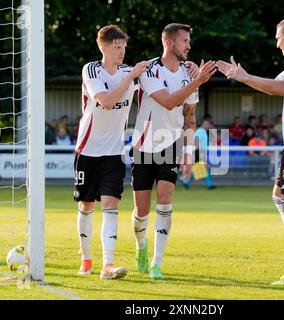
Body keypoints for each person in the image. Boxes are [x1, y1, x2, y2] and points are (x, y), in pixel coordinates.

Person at [217, 18, 284, 286]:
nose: (276, 44)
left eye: (278, 38)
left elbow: (282, 87)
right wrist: (243, 77)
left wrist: (244, 76)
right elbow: (273, 86)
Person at [130, 23, 217, 280]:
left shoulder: (190, 75)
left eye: (189, 41)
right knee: (141, 212)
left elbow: (189, 119)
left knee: (165, 199)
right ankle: (141, 246)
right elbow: (168, 102)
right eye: (184, 41)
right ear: (169, 43)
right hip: (143, 146)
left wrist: (188, 153)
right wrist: (198, 80)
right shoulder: (149, 70)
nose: (189, 45)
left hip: (171, 145)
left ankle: (157, 263)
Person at [73, 25, 150, 280]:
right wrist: (130, 78)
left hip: (114, 152)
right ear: (103, 47)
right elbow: (105, 101)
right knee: (86, 206)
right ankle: (86, 259)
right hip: (87, 149)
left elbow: (162, 70)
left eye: (124, 47)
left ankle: (108, 265)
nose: (122, 52)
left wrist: (191, 70)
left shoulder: (130, 72)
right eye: (117, 47)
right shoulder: (91, 70)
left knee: (110, 206)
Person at [183, 120, 217, 190]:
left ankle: (186, 182)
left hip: (200, 151)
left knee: (199, 168)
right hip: (200, 152)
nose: (208, 127)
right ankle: (208, 185)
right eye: (208, 125)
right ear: (205, 124)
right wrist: (198, 150)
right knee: (204, 167)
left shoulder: (202, 131)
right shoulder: (201, 131)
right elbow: (196, 139)